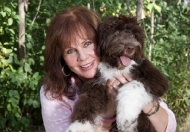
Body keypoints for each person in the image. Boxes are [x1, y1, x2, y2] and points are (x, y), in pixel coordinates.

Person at [40, 6, 177, 132]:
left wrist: (138, 98)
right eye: (70, 51)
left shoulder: (134, 64)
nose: (82, 57)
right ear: (61, 57)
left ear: (99, 40)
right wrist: (109, 112)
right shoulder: (53, 93)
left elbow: (169, 126)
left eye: (87, 43)